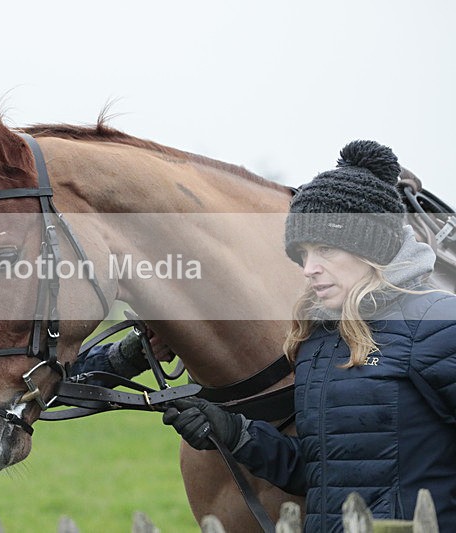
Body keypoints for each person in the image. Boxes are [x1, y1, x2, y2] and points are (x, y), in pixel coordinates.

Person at [162, 140, 456, 531]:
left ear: (370, 247)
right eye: (303, 254)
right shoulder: (319, 341)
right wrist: (233, 433)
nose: (308, 269)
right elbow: (317, 472)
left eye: (325, 251)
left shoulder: (437, 324)